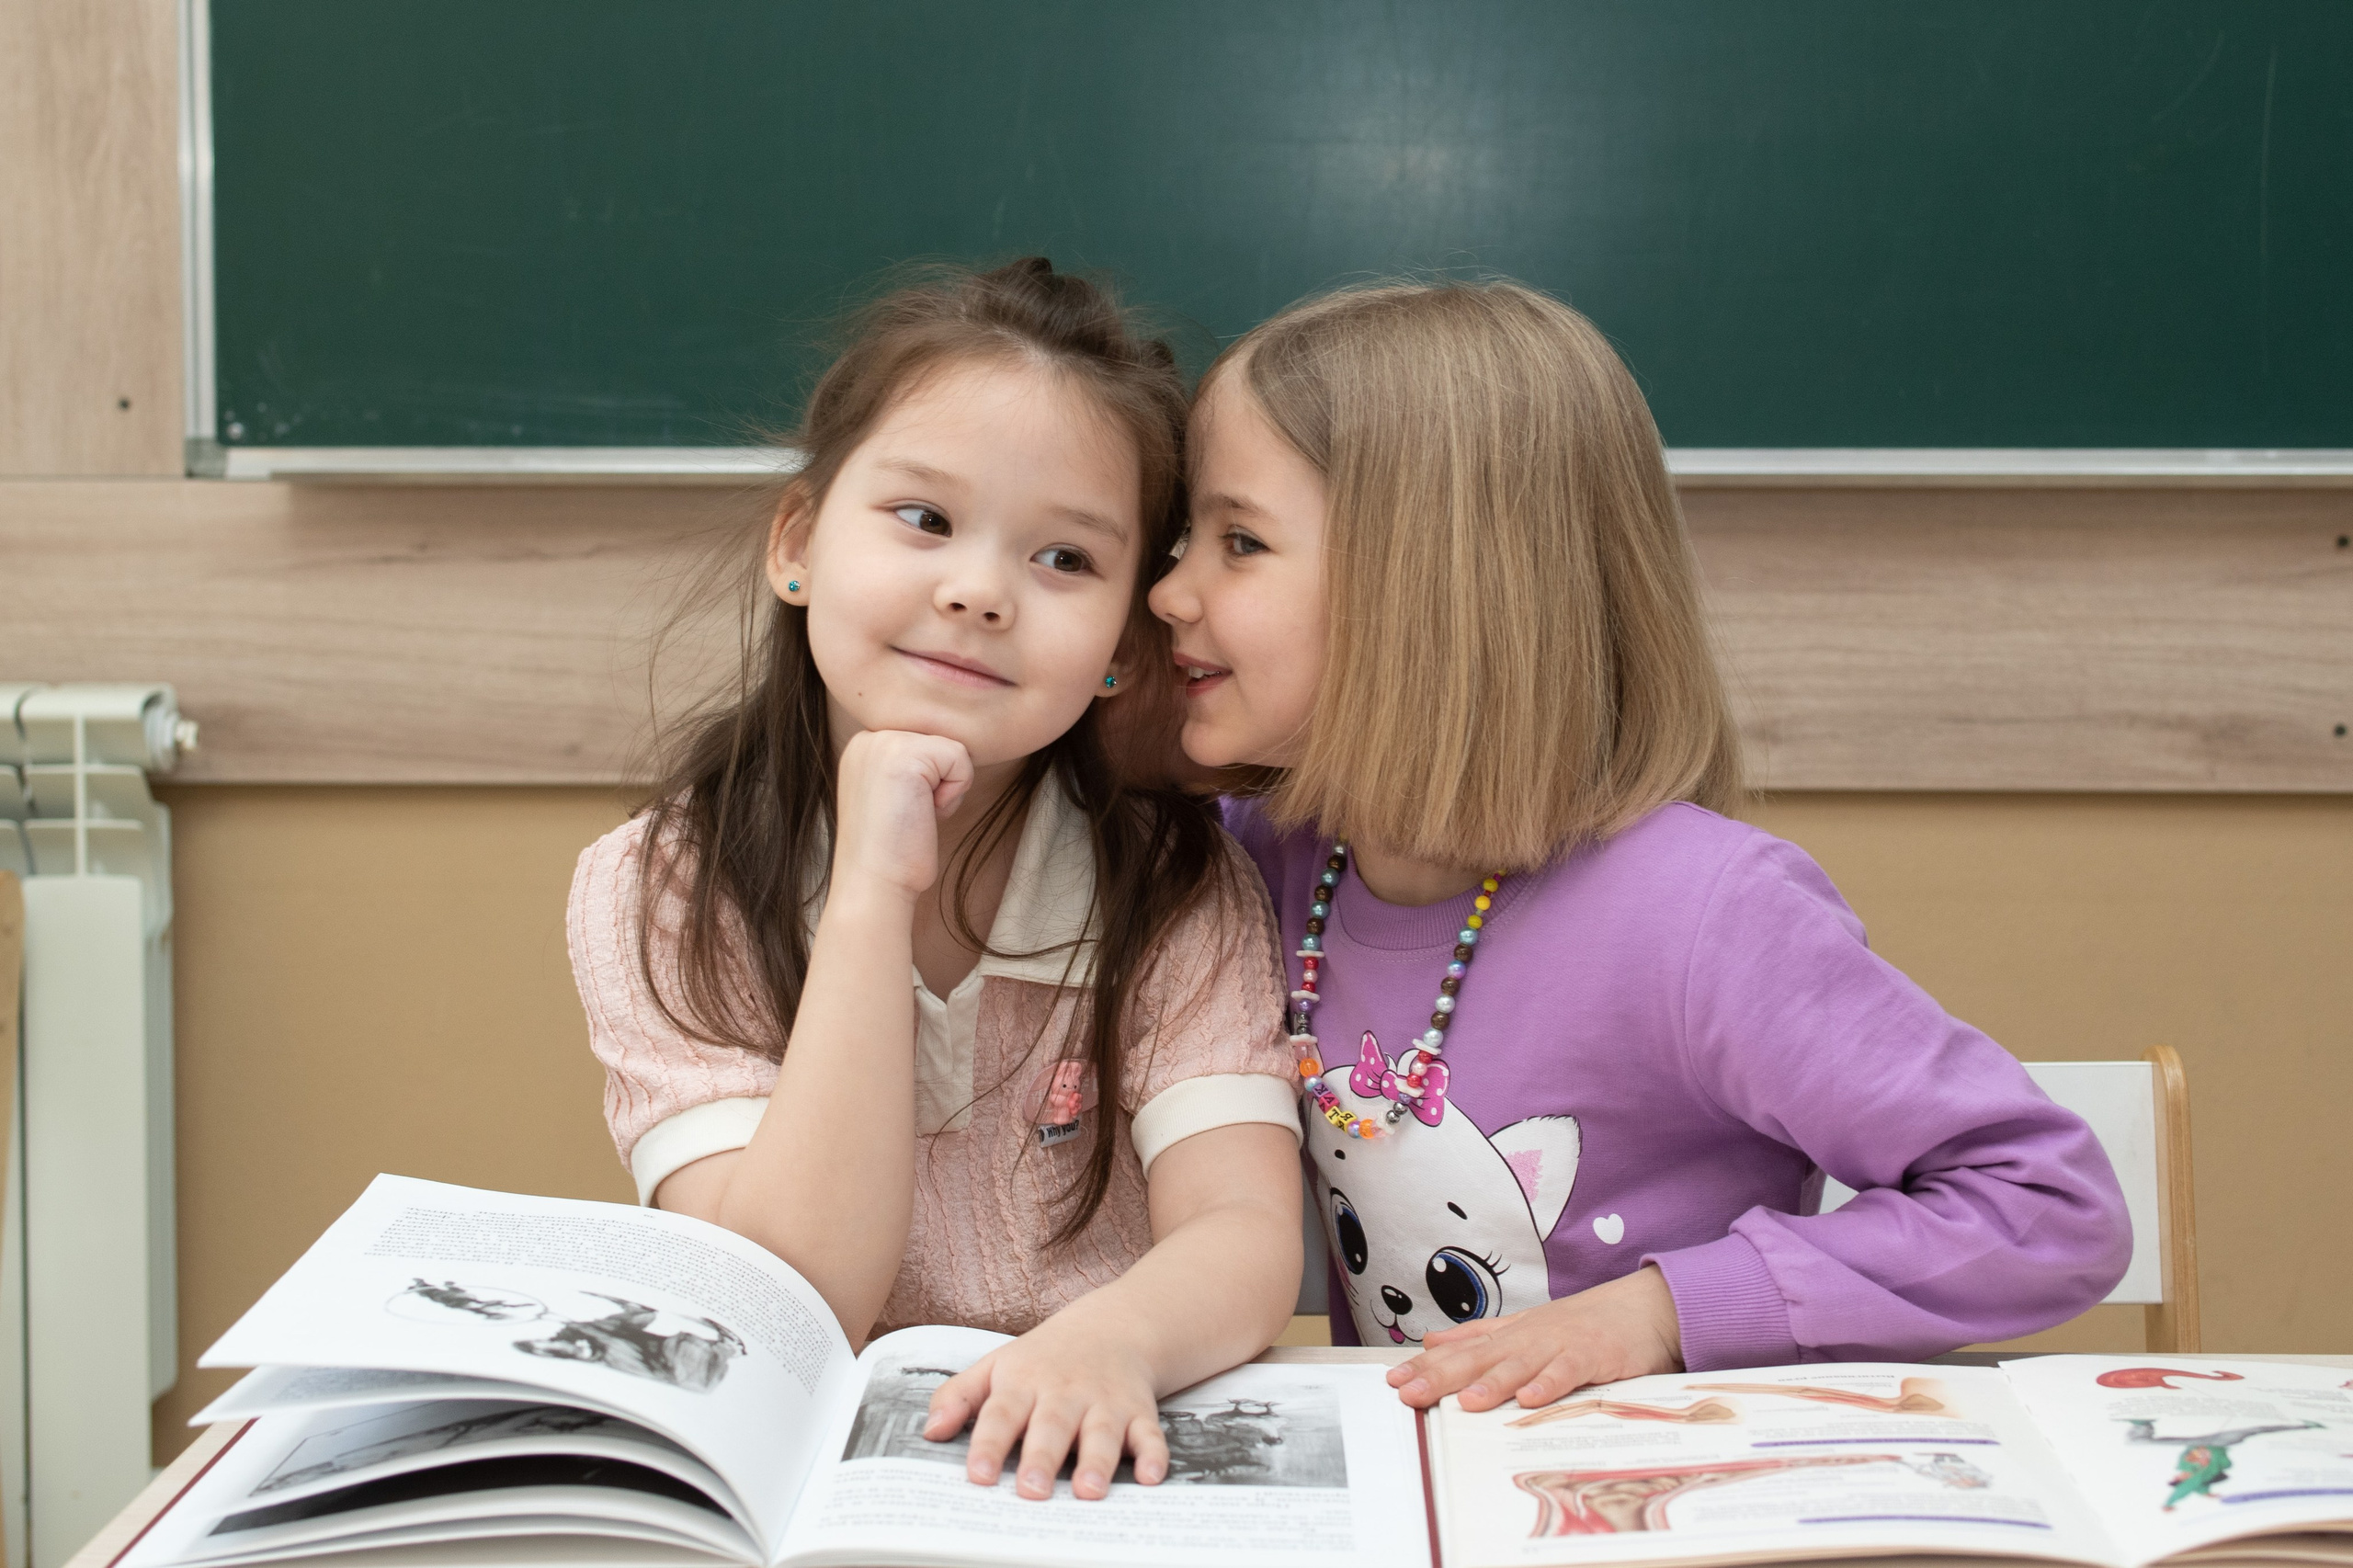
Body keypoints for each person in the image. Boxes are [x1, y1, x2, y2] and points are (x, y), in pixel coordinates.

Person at [1147, 278, 2130, 1415]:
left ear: (1427, 585)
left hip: (1675, 1485)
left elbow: (2046, 1202)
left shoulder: (1703, 910)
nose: (1170, 591)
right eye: (1182, 538)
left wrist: (1659, 1310)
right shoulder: (1258, 864)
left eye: (1237, 541)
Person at [569, 259, 1303, 1499]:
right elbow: (791, 1293)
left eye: (1064, 557)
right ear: (797, 543)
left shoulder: (1178, 882)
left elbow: (1244, 1232)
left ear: (1126, 646)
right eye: (924, 520)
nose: (977, 590)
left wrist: (1110, 1340)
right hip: (815, 1494)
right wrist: (868, 895)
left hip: (1096, 1475)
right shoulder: (660, 890)